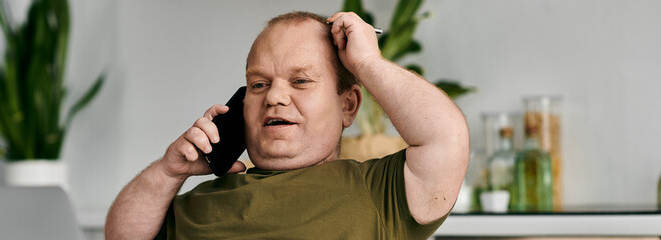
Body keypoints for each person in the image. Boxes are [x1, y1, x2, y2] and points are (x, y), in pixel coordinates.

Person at [105, 11, 469, 239]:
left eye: (300, 81)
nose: (274, 97)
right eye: (258, 84)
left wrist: (367, 63)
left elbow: (445, 139)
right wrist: (168, 173)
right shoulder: (194, 204)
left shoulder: (379, 193)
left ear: (348, 106)